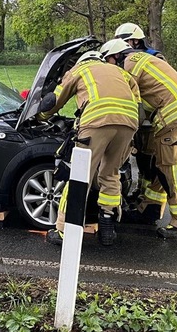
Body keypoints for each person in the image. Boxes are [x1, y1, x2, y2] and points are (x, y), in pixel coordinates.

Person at [101, 38, 177, 238]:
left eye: (109, 63)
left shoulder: (128, 66)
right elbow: (148, 98)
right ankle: (150, 209)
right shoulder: (141, 58)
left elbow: (131, 102)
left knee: (171, 170)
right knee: (161, 165)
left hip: (174, 116)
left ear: (115, 56)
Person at [43, 50, 140, 246]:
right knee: (110, 173)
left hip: (96, 121)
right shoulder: (120, 72)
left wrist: (40, 117)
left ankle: (63, 230)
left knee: (80, 175)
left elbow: (56, 99)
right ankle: (107, 222)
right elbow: (137, 102)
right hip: (128, 123)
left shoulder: (80, 69)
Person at [114, 23, 167, 217]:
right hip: (140, 119)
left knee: (153, 161)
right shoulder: (128, 60)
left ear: (135, 41)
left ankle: (151, 207)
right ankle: (142, 195)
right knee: (142, 159)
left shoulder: (154, 57)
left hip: (154, 117)